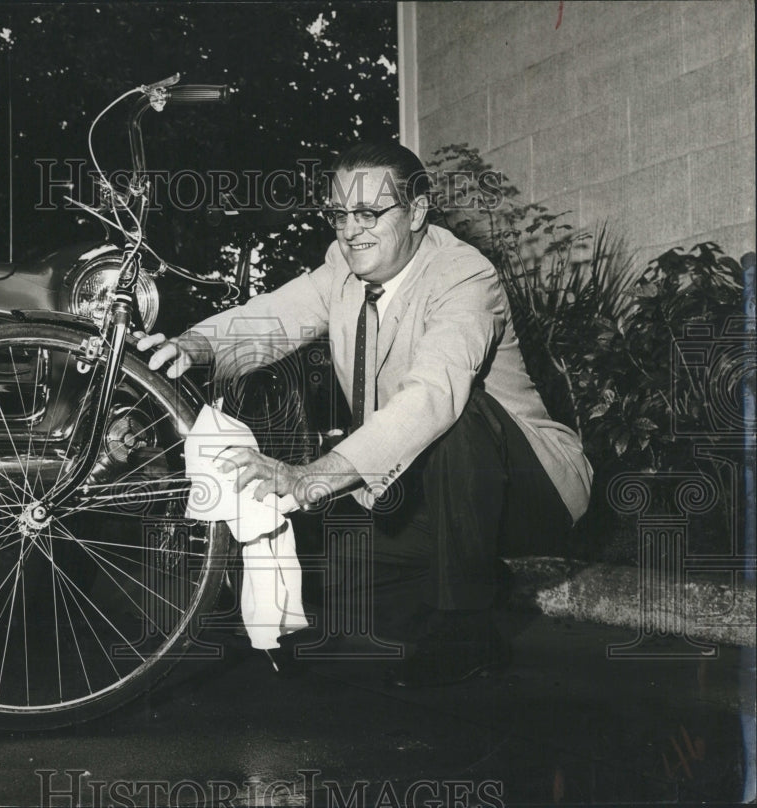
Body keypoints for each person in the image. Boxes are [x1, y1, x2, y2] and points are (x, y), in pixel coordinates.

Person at [136, 141, 592, 686]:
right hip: (424, 496)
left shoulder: (464, 277)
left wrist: (312, 477)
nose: (351, 230)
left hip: (528, 490)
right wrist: (193, 345)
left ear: (417, 212)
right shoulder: (342, 273)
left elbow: (433, 398)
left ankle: (465, 627)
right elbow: (271, 318)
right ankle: (465, 583)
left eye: (369, 213)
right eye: (340, 214)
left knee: (457, 415)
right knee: (326, 577)